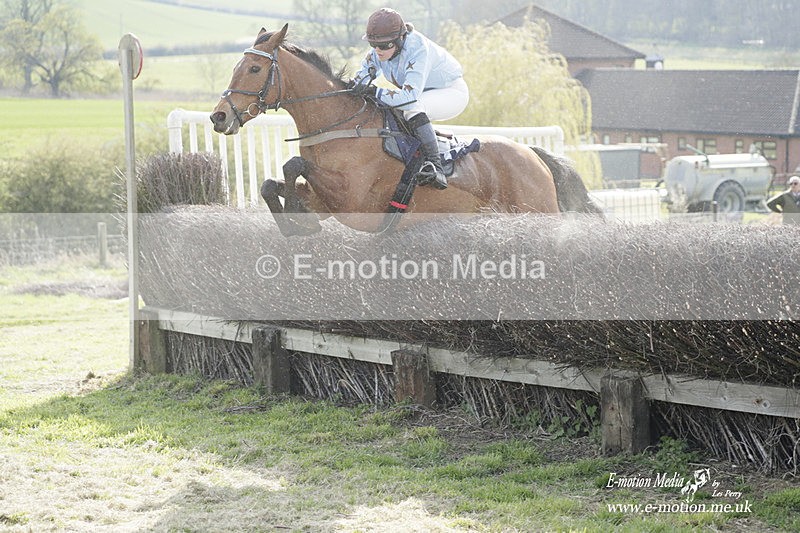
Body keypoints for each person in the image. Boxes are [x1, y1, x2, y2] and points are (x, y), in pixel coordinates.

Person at [350, 7, 469, 190]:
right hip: (423, 94)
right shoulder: (379, 50)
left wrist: (374, 91)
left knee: (412, 107)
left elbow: (409, 96)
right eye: (373, 44)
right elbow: (360, 80)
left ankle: (435, 166)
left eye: (384, 45)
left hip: (451, 92)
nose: (377, 50)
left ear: (400, 39)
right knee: (391, 108)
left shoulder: (418, 49)